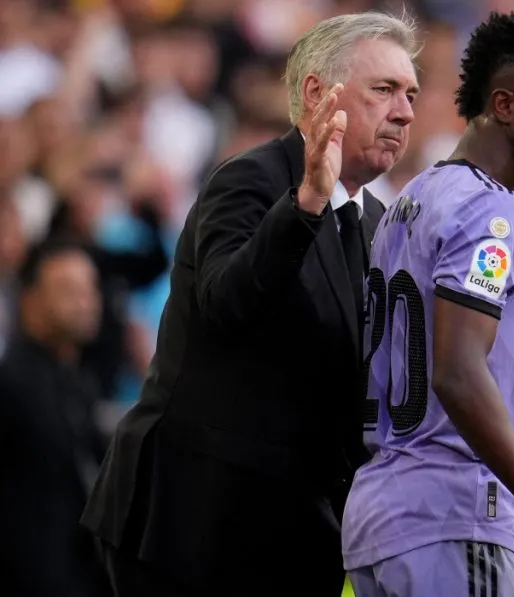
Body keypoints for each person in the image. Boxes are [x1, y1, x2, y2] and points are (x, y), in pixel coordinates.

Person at [80, 12, 420, 597]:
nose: (405, 111)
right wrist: (306, 202)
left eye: (411, 94)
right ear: (318, 93)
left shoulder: (374, 223)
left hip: (290, 536)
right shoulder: (251, 180)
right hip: (192, 527)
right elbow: (226, 306)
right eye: (384, 90)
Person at [341, 9, 514, 597]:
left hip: (380, 516)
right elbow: (458, 370)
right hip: (454, 513)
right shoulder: (489, 212)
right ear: (504, 105)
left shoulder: (412, 197)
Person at [0, 241, 109, 597]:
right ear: (29, 301)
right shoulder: (12, 386)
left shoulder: (78, 378)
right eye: (67, 290)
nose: (85, 301)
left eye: (89, 288)